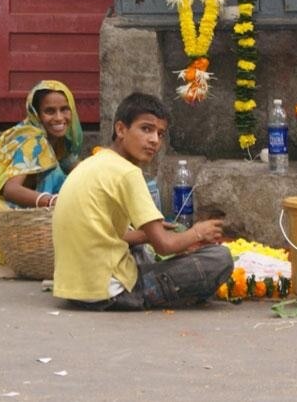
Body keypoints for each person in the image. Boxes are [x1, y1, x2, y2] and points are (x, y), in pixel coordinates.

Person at [51, 92, 232, 310]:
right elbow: (164, 246)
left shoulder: (94, 163)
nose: (154, 140)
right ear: (120, 129)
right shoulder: (128, 173)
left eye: (160, 133)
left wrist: (147, 234)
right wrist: (198, 232)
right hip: (109, 292)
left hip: (76, 289)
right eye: (146, 129)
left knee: (140, 247)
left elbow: (106, 234)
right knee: (219, 258)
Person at [0, 80, 83, 261]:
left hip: (35, 217)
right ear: (37, 115)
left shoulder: (62, 143)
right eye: (49, 111)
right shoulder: (32, 140)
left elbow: (82, 172)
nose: (58, 118)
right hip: (11, 217)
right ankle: (25, 252)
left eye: (64, 109)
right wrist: (53, 201)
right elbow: (12, 190)